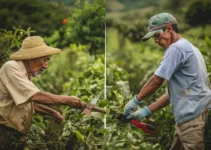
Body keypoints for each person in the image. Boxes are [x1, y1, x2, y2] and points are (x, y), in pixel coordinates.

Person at [124, 13, 211, 150]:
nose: (156, 40)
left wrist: (136, 100)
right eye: (153, 37)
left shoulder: (176, 48)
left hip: (191, 117)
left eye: (157, 35)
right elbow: (175, 92)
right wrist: (145, 111)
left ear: (169, 29)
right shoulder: (188, 47)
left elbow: (157, 80)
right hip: (193, 113)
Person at [0, 36, 85, 149]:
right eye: (44, 60)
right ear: (31, 57)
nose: (46, 65)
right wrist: (66, 100)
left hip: (13, 133)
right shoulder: (11, 68)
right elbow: (35, 96)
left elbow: (29, 103)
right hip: (3, 131)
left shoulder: (24, 74)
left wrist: (52, 113)